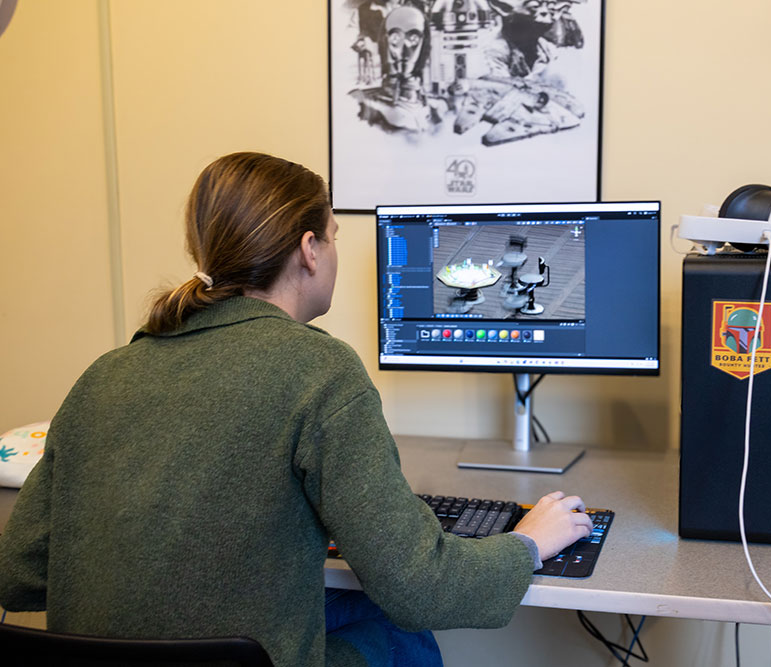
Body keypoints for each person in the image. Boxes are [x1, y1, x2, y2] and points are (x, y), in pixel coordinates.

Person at [0, 152, 593, 667]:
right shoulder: (319, 370)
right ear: (309, 250)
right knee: (395, 626)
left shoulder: (105, 373)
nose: (333, 249)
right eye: (334, 235)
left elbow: (19, 573)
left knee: (344, 600)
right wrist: (528, 541)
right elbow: (420, 588)